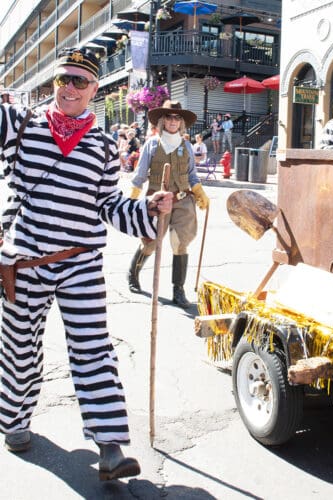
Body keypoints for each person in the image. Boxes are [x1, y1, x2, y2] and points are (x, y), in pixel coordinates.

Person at [0, 48, 173, 481]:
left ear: (95, 89)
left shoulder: (100, 144)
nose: (70, 88)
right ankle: (16, 420)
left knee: (93, 350)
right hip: (25, 261)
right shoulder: (20, 125)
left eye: (80, 81)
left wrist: (148, 211)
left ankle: (110, 446)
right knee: (19, 347)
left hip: (80, 262)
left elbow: (107, 205)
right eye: (64, 79)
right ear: (53, 84)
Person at [128, 100, 209, 308]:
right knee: (151, 242)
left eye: (177, 118)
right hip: (158, 199)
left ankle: (178, 290)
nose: (173, 121)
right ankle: (133, 272)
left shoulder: (187, 145)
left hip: (183, 200)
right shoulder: (152, 144)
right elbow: (139, 175)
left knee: (180, 242)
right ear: (163, 121)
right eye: (169, 117)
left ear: (181, 122)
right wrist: (131, 200)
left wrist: (199, 193)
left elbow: (192, 174)